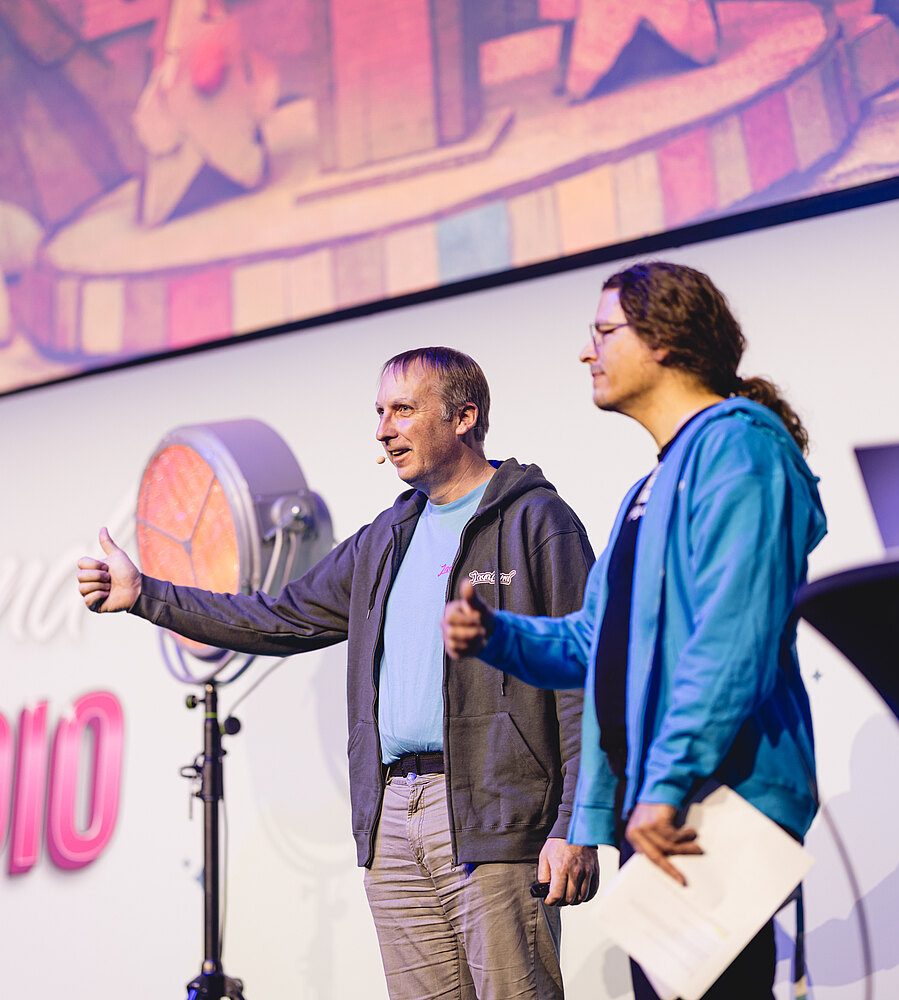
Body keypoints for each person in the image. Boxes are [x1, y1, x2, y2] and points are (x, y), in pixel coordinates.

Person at [77, 346, 599, 1000]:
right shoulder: (385, 539)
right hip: (394, 820)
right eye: (379, 412)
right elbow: (275, 616)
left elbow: (585, 679)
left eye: (402, 410)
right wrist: (145, 594)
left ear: (464, 417)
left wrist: (576, 824)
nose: (383, 429)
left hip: (497, 818)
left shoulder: (535, 521)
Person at [442, 262, 827, 999]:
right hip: (663, 802)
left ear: (664, 340)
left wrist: (667, 783)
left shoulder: (742, 450)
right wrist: (496, 635)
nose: (586, 351)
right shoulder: (649, 486)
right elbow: (595, 644)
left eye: (604, 331)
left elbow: (730, 644)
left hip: (718, 799)